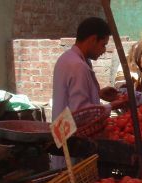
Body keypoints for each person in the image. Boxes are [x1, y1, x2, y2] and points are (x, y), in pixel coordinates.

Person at [51, 17, 126, 169]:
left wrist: (97, 93)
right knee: (70, 182)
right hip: (71, 140)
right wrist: (111, 105)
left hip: (62, 133)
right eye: (103, 44)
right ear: (92, 39)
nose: (104, 51)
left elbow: (71, 96)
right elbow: (81, 112)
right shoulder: (78, 66)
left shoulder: (66, 59)